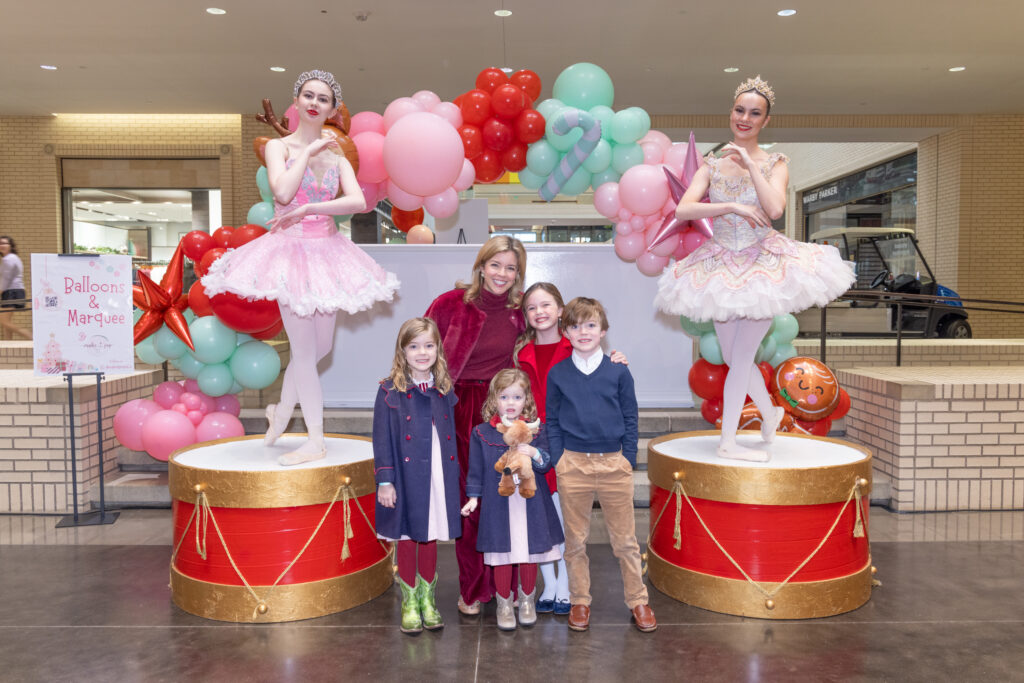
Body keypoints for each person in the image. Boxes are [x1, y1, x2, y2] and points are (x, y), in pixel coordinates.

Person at [202, 69, 399, 466]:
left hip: (325, 250)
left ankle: (279, 411)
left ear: (331, 108)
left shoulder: (337, 152)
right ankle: (314, 439)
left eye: (323, 98)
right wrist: (307, 153)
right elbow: (283, 192)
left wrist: (313, 208)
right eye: (308, 95)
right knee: (305, 353)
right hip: (289, 254)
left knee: (320, 348)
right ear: (296, 102)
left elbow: (358, 201)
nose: (314, 103)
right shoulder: (280, 148)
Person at [654, 75, 855, 462]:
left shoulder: (776, 163)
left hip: (762, 267)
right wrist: (730, 206)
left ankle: (727, 441)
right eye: (739, 110)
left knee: (741, 360)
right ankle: (771, 412)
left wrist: (749, 162)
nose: (744, 118)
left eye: (754, 113)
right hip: (721, 265)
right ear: (731, 112)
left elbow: (775, 209)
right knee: (733, 359)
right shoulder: (711, 164)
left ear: (765, 121)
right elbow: (684, 209)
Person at [424, 235, 526, 615]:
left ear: (518, 274)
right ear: (481, 266)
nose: (502, 274)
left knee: (505, 497)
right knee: (471, 500)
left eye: (510, 268)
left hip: (504, 411)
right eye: (495, 265)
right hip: (458, 407)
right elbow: (418, 349)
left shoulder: (521, 312)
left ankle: (506, 586)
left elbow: (560, 339)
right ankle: (472, 588)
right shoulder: (449, 304)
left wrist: (611, 354)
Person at [515, 282, 629, 616]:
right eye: (532, 307)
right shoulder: (519, 353)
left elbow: (602, 374)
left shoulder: (579, 344)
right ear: (526, 315)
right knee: (539, 515)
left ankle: (566, 585)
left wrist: (617, 359)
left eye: (546, 305)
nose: (540, 312)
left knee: (569, 520)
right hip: (533, 441)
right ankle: (547, 584)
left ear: (561, 311)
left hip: (568, 441)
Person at [545, 297, 656, 633]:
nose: (583, 332)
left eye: (591, 325)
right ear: (566, 332)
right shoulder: (559, 373)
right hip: (573, 465)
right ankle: (580, 600)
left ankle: (638, 601)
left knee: (624, 540)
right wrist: (559, 458)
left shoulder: (618, 370)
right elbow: (551, 419)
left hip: (613, 464)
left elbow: (630, 415)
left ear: (603, 331)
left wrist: (627, 457)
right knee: (575, 541)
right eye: (576, 326)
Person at [372, 317, 461, 635]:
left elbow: (449, 436)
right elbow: (381, 438)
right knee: (409, 536)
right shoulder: (389, 390)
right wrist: (385, 480)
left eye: (429, 345)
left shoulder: (444, 388)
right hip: (407, 476)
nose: (422, 352)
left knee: (432, 533)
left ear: (438, 348)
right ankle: (409, 601)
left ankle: (428, 600)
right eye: (414, 346)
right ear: (402, 350)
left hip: (437, 472)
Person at [461, 369, 563, 631]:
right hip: (498, 505)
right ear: (494, 399)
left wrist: (535, 453)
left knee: (529, 553)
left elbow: (546, 464)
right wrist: (473, 497)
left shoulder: (537, 431)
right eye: (504, 397)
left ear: (526, 399)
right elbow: (476, 470)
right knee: (503, 555)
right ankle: (504, 603)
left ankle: (526, 599)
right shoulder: (482, 433)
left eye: (516, 397)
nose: (510, 403)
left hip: (531, 504)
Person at [0, 236, 31, 341]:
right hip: (16, 291)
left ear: (10, 246)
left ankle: (29, 335)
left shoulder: (8, 259)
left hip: (11, 292)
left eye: (5, 243)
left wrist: (0, 291)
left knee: (4, 321)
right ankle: (8, 344)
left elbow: (6, 279)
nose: (2, 245)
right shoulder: (13, 258)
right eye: (0, 243)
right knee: (6, 321)